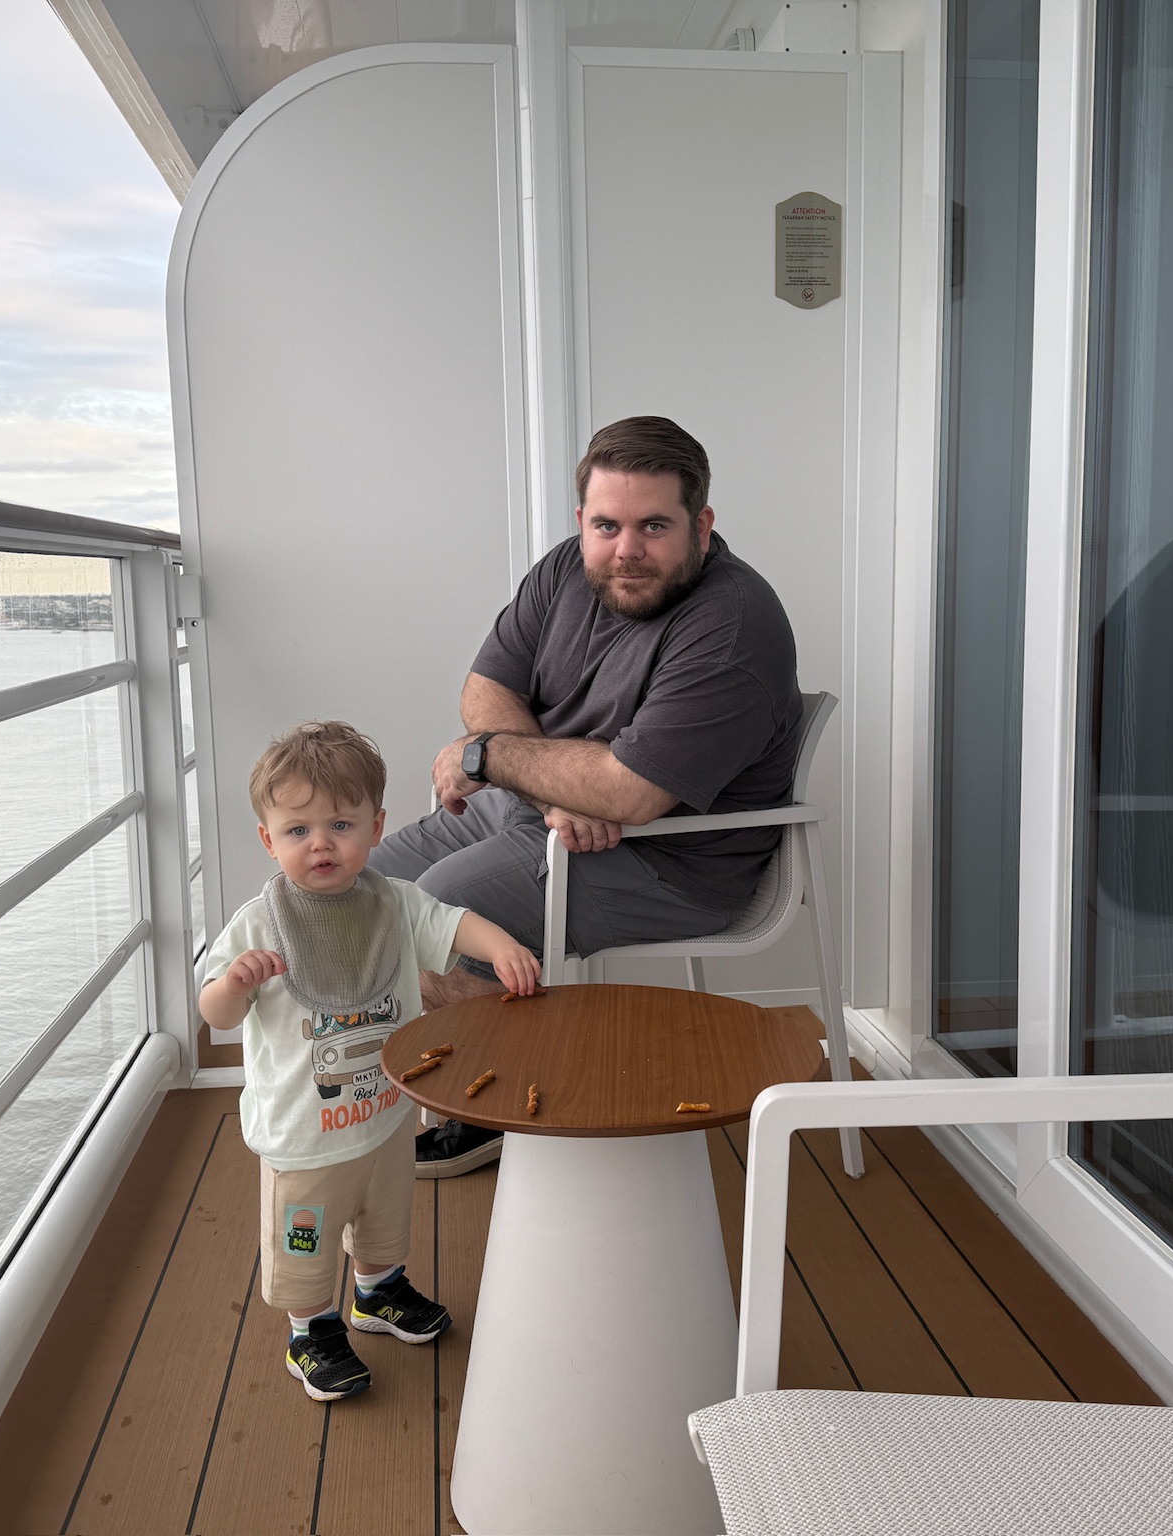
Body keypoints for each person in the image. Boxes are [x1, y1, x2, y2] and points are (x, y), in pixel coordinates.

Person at [368, 415, 805, 1177]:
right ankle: (471, 1080)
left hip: (669, 861)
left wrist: (490, 755)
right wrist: (558, 796)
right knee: (359, 891)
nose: (626, 549)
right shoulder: (565, 570)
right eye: (606, 525)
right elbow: (487, 687)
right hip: (547, 819)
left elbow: (631, 796)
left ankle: (509, 1099)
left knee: (433, 913)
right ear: (582, 521)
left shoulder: (733, 623)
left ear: (702, 525)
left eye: (654, 526)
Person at [198, 721, 540, 1400]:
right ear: (268, 839)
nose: (321, 843)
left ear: (376, 827)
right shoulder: (259, 925)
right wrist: (235, 984)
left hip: (384, 1116)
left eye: (341, 825)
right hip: (304, 1136)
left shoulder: (393, 904)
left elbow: (450, 923)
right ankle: (311, 1329)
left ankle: (378, 1290)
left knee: (384, 1218)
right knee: (306, 1241)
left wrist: (500, 945)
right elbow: (216, 1016)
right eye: (298, 830)